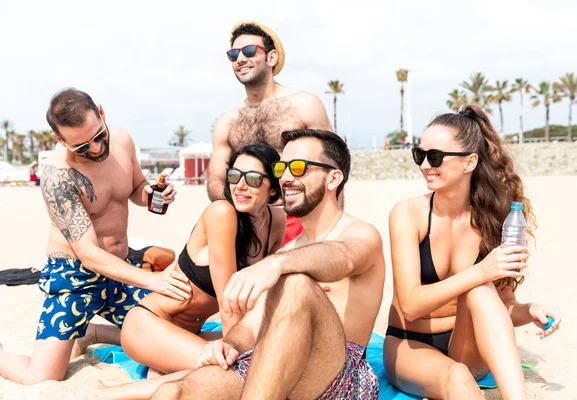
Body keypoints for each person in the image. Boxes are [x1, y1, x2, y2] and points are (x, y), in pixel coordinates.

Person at [142, 129, 384, 400]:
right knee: (172, 392)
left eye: (300, 168)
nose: (287, 177)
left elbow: (345, 257)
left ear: (333, 178)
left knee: (296, 284)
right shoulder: (290, 249)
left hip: (339, 378)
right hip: (277, 363)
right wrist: (230, 344)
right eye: (282, 168)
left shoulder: (360, 234)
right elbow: (253, 323)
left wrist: (276, 265)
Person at [0, 88, 192, 385]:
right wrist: (153, 279)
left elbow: (135, 187)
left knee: (174, 331)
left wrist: (153, 195)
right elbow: (88, 253)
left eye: (99, 136)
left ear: (101, 113)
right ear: (60, 140)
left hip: (122, 268)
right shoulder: (57, 175)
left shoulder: (123, 141)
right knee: (41, 379)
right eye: (81, 146)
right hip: (74, 277)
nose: (95, 148)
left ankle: (93, 333)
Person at [384, 105, 562, 399]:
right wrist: (481, 272)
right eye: (420, 155)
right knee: (457, 379)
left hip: (466, 343)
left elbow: (500, 307)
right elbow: (411, 305)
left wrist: (529, 311)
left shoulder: (495, 220)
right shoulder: (408, 214)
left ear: (470, 163)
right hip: (409, 343)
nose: (425, 165)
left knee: (480, 291)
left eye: (436, 156)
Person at [119, 143, 286, 374]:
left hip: (192, 333)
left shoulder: (276, 221)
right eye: (235, 176)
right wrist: (236, 351)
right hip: (151, 324)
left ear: (273, 189)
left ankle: (157, 366)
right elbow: (228, 305)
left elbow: (265, 292)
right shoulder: (222, 213)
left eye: (254, 179)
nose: (241, 186)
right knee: (230, 369)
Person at [207, 20, 333, 245]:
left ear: (271, 58)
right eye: (234, 54)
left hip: (299, 218)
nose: (240, 59)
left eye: (249, 51)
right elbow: (216, 183)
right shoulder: (228, 121)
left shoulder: (305, 105)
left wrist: (333, 228)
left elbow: (332, 167)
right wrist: (252, 206)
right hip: (249, 225)